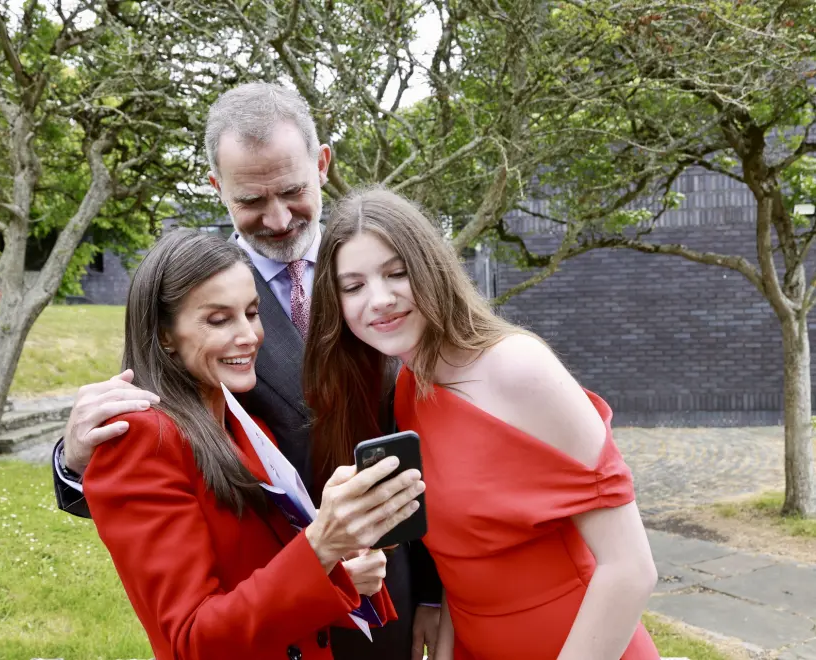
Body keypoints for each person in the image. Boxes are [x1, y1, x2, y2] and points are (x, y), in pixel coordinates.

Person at [52, 82, 443, 660]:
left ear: (322, 164)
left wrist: (435, 590)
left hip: (390, 587)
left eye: (292, 190)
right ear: (217, 188)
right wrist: (74, 463)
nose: (279, 218)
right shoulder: (190, 289)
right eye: (252, 200)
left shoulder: (379, 269)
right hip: (266, 607)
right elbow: (156, 455)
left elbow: (431, 428)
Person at [303, 187, 661, 660]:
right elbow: (463, 559)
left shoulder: (519, 368)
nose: (380, 299)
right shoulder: (409, 386)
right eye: (353, 287)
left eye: (397, 273)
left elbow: (630, 569)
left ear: (431, 267)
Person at [84, 228, 424, 659]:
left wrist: (336, 566)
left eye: (252, 312)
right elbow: (191, 639)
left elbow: (261, 571)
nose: (249, 335)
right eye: (219, 320)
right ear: (165, 334)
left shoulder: (243, 419)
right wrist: (321, 546)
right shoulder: (141, 440)